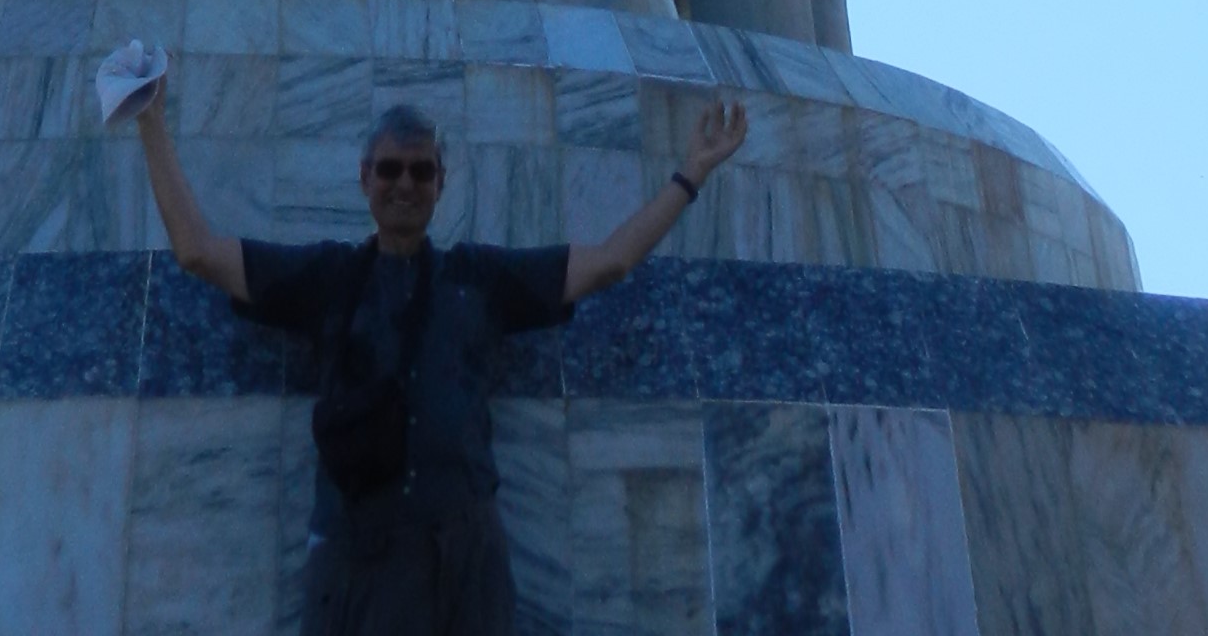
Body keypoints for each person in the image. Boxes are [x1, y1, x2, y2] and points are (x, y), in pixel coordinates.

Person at [125, 65, 748, 632]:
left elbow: (610, 262)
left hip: (466, 556)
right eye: (390, 169)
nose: (405, 184)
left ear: (442, 183)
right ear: (364, 178)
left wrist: (692, 173)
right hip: (362, 553)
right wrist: (151, 122)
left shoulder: (480, 278)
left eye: (421, 171)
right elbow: (196, 251)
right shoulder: (329, 278)